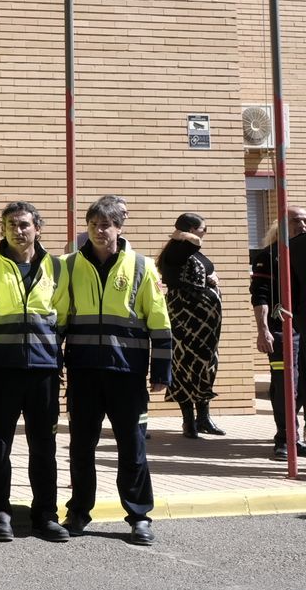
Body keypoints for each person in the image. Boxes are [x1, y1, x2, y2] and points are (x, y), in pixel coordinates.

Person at [56, 195, 171, 546]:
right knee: (81, 447)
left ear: (119, 227)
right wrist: (55, 363)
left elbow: (159, 322)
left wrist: (161, 372)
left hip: (127, 375)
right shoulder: (69, 265)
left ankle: (139, 517)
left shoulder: (142, 266)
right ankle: (77, 512)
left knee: (132, 447)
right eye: (93, 225)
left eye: (105, 225)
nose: (99, 231)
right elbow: (59, 318)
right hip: (84, 373)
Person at [0, 201, 68, 543]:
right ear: (2, 229)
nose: (18, 230)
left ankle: (45, 514)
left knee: (43, 446)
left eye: (25, 224)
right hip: (2, 370)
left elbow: (65, 317)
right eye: (11, 224)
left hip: (44, 371)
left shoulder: (57, 268)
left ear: (37, 229)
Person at [157, 213, 225, 438]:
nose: (205, 233)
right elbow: (195, 242)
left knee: (207, 363)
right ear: (192, 230)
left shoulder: (189, 250)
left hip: (206, 323)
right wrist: (182, 234)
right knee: (185, 365)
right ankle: (189, 422)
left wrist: (211, 279)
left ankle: (203, 417)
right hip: (187, 320)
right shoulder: (178, 249)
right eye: (204, 229)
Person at [252, 206, 306, 459]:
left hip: (302, 327)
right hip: (281, 328)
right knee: (285, 384)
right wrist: (263, 330)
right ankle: (285, 438)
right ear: (281, 225)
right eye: (296, 221)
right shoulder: (270, 255)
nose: (302, 225)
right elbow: (260, 295)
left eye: (305, 221)